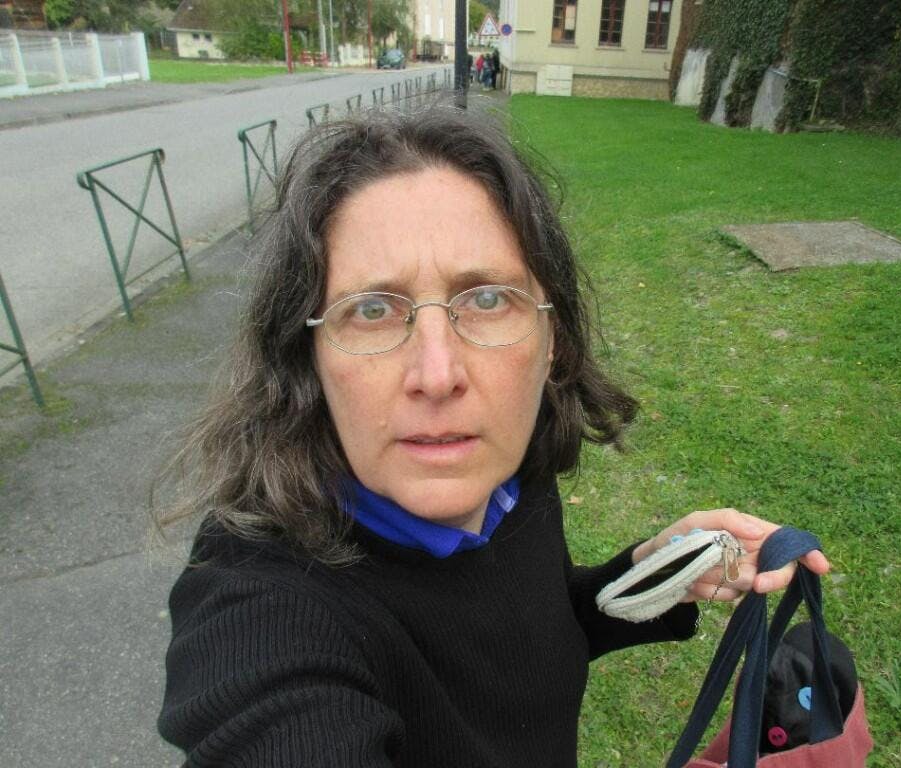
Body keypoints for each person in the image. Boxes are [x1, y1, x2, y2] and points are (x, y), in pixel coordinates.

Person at [155, 106, 829, 766]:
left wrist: (652, 575)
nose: (437, 375)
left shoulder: (511, 480)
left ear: (551, 339)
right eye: (372, 309)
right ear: (307, 356)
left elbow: (521, 631)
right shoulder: (261, 607)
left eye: (486, 299)